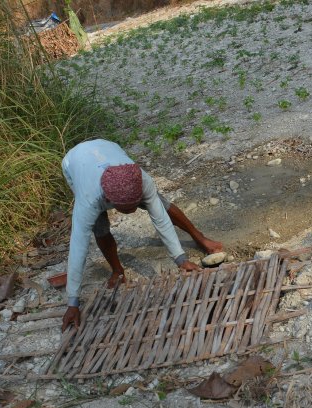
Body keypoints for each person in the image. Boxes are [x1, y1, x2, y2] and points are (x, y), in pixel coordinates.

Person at [60, 139, 222, 332]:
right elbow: (78, 247)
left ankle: (199, 237)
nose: (131, 212)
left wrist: (180, 260)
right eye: (125, 209)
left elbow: (160, 218)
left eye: (135, 205)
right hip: (75, 162)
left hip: (108, 147)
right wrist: (73, 302)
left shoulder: (142, 181)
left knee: (162, 204)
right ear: (108, 199)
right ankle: (117, 270)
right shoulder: (89, 199)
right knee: (99, 227)